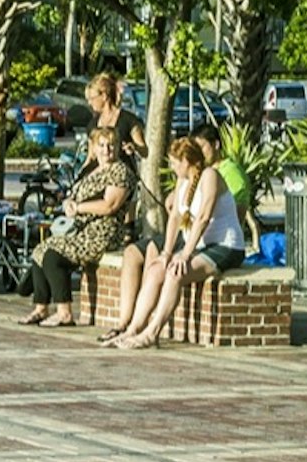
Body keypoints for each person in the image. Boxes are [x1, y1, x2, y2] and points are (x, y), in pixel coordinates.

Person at [105, 131, 252, 348]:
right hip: (200, 246)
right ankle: (133, 329)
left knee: (175, 273)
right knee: (156, 269)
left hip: (225, 246)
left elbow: (203, 217)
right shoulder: (183, 181)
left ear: (187, 161)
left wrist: (184, 254)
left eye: (175, 163)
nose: (172, 167)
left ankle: (152, 333)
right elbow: (174, 217)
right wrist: (166, 253)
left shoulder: (210, 175)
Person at [20, 124, 138, 327]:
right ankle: (40, 308)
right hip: (81, 230)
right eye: (102, 145)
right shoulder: (91, 170)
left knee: (53, 256)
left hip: (102, 232)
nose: (106, 150)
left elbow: (110, 205)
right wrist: (67, 203)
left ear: (118, 147)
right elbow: (72, 196)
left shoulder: (120, 172)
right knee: (41, 249)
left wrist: (79, 207)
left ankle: (65, 312)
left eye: (111, 145)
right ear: (94, 147)